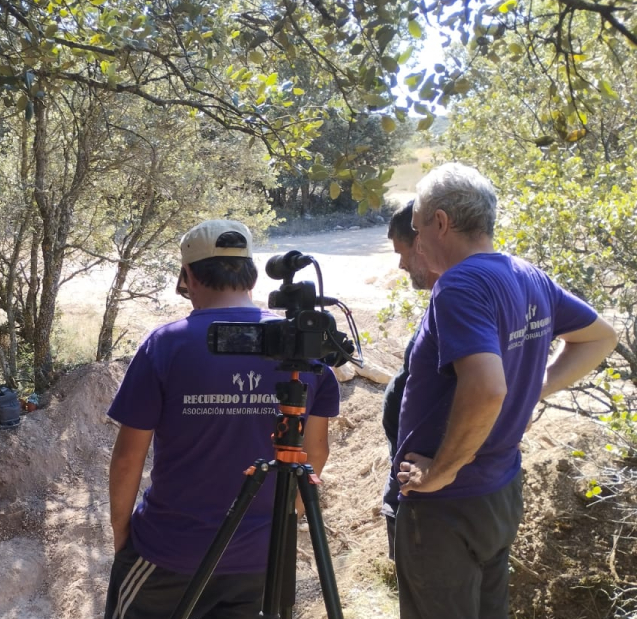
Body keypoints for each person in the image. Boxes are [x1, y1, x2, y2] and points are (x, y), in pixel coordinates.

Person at [394, 163, 617, 619]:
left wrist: (440, 472)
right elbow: (601, 337)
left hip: (447, 507)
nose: (416, 244)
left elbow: (488, 388)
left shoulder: (459, 284)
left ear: (440, 222)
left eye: (417, 229)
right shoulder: (526, 274)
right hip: (498, 494)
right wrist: (536, 386)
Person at [105, 220, 340, 619]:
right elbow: (314, 452)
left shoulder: (165, 346)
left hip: (170, 552)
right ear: (250, 275)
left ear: (190, 276)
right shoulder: (302, 346)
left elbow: (128, 458)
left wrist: (122, 535)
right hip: (262, 560)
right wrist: (280, 526)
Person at [380, 200, 439, 561]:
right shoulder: (443, 299)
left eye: (402, 252)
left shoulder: (460, 300)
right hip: (411, 478)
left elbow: (485, 390)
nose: (400, 264)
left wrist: (441, 469)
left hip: (431, 494)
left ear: (424, 243)